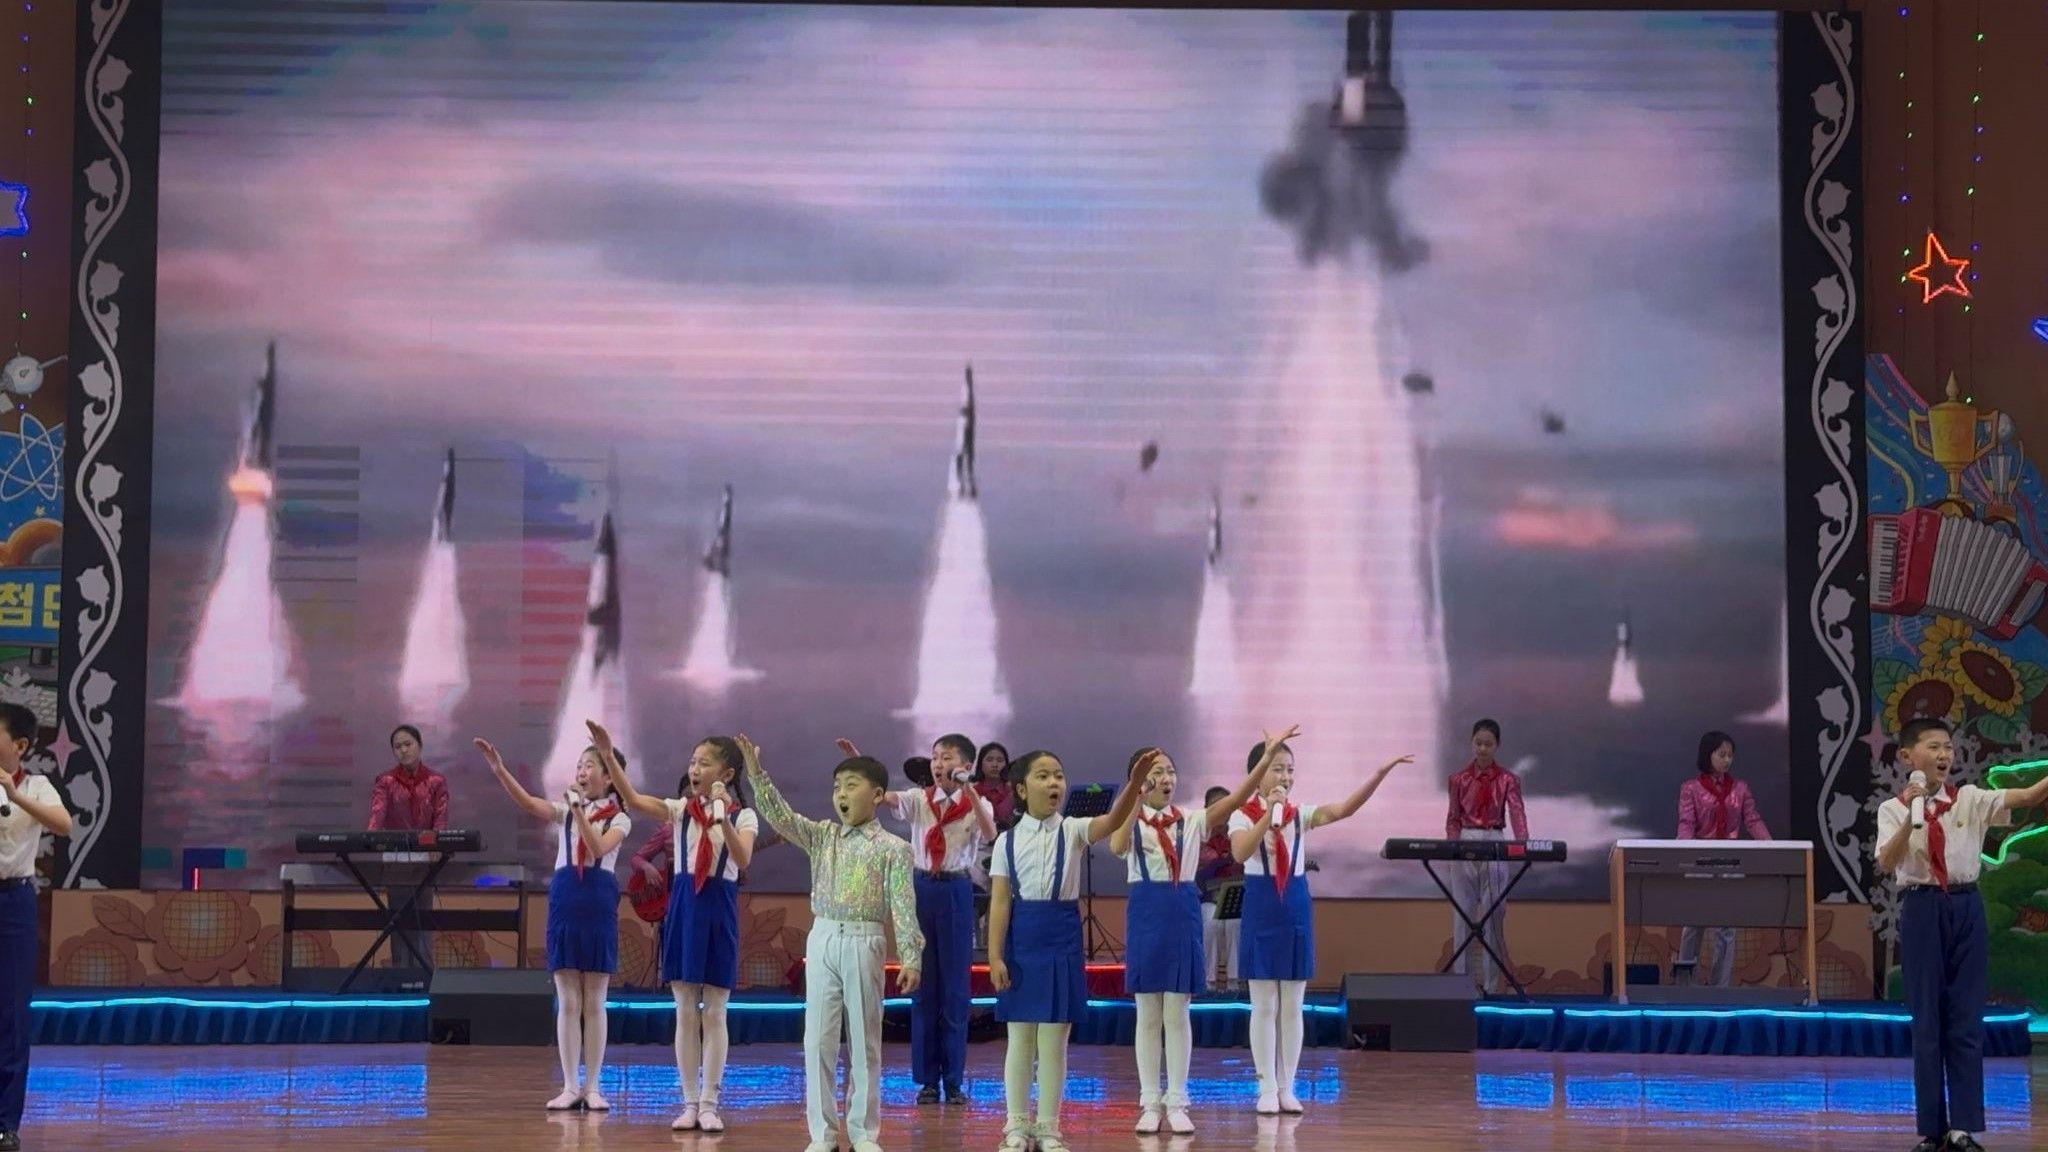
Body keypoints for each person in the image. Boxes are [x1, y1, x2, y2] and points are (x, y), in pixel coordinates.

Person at [743, 736, 923, 1152]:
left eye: (852, 785)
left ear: (877, 795)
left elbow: (902, 905)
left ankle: (863, 1134)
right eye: (837, 786)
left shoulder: (894, 849)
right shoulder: (823, 837)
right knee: (818, 1041)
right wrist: (756, 774)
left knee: (864, 1040)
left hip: (865, 940)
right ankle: (822, 1135)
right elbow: (782, 818)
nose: (841, 794)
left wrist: (911, 956)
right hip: (823, 937)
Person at [1877, 717, 2048, 1152]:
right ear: (1906, 757)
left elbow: (2028, 795)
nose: (1944, 755)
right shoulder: (1893, 809)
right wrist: (1911, 815)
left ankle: (1963, 1128)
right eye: (1933, 747)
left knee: (1966, 1021)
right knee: (1927, 1024)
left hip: (1967, 907)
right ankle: (1931, 1129)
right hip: (1922, 909)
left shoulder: (1969, 799)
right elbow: (1886, 862)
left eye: (1948, 748)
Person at [1109, 732, 1284, 1135]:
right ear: (1140, 780)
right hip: (1146, 914)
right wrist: (1134, 795)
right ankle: (1149, 1101)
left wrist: (1266, 758)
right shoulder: (1131, 822)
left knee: (1177, 1011)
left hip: (1182, 910)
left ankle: (1178, 1100)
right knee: (1148, 1014)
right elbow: (1117, 844)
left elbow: (1237, 799)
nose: (1166, 778)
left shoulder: (1192, 819)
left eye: (1170, 771)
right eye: (1155, 773)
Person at [1233, 736, 1408, 1115]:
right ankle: (1265, 1085)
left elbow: (1344, 809)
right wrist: (1269, 814)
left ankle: (1287, 1086)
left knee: (1292, 1004)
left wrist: (1379, 773)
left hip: (1294, 906)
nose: (1285, 776)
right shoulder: (1241, 814)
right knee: (1263, 1004)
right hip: (1260, 905)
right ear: (1257, 775)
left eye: (1290, 770)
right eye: (1277, 768)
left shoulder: (1301, 815)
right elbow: (1239, 852)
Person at [597, 724, 757, 1134]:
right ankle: (688, 1102)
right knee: (685, 1010)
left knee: (715, 1011)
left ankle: (710, 1102)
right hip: (684, 907)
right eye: (692, 761)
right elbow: (632, 798)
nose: (695, 768)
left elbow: (743, 858)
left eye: (704, 762)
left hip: (719, 909)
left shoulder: (744, 816)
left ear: (728, 774)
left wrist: (721, 815)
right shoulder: (680, 811)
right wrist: (609, 756)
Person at [988, 749, 1148, 1152]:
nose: (1055, 783)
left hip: (1061, 938)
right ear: (1022, 789)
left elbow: (1112, 822)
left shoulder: (1074, 830)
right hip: (1022, 942)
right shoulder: (1006, 841)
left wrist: (1133, 784)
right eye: (1043, 776)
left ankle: (1048, 1126)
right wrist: (994, 956)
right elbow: (1001, 902)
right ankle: (1016, 1125)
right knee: (1020, 1037)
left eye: (1059, 775)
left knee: (1054, 1039)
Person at [477, 735, 629, 1111]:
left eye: (589, 765)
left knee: (594, 999)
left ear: (610, 778)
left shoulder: (620, 818)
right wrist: (500, 771)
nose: (581, 770)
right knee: (567, 998)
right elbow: (529, 803)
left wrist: (578, 810)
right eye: (579, 765)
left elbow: (597, 848)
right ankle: (570, 1084)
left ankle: (593, 1086)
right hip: (565, 895)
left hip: (597, 897)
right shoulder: (566, 810)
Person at [883, 733, 995, 1105]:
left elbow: (990, 832)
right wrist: (865, 773)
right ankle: (928, 1080)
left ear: (964, 766)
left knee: (955, 990)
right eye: (934, 757)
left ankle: (955, 1080)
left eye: (946, 757)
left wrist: (971, 791)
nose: (936, 763)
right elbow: (887, 799)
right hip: (921, 888)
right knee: (923, 986)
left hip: (957, 891)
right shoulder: (920, 799)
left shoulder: (977, 804)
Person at [0, 703, 67, 1152]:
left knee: (10, 1014)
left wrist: (14, 793)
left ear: (19, 745)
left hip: (14, 903)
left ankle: (6, 1123)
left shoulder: (38, 786)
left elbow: (64, 826)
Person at [1674, 730, 1771, 987]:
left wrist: (1770, 846)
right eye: (1722, 754)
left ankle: (1721, 987)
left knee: (1727, 928)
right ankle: (1686, 986)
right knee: (1693, 924)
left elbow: (1752, 819)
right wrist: (1683, 852)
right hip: (1700, 860)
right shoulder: (1690, 789)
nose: (1727, 760)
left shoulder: (1740, 788)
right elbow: (1686, 824)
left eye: (1730, 755)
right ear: (1708, 755)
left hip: (1731, 859)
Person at [1444, 718, 1527, 996]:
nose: (1482, 749)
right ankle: (1462, 986)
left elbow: (1516, 813)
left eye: (1488, 744)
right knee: (1462, 916)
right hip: (1466, 841)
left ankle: (1492, 987)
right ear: (1472, 743)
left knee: (1494, 915)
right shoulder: (1457, 779)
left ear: (1497, 746)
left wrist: (1524, 845)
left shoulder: (1508, 780)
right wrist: (1452, 847)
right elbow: (1453, 818)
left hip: (1494, 839)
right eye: (1478, 743)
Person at [367, 724, 449, 972]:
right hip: (396, 857)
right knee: (398, 917)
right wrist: (370, 838)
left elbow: (440, 819)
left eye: (408, 744)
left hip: (425, 857)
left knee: (422, 916)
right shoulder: (386, 781)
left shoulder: (436, 781)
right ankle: (401, 972)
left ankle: (425, 974)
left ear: (419, 745)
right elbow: (378, 813)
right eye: (397, 746)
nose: (403, 750)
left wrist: (436, 843)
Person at [1196, 785, 1244, 992]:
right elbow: (1197, 878)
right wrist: (1223, 861)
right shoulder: (1197, 837)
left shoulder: (1239, 835)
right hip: (1207, 898)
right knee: (1210, 923)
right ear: (1206, 808)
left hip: (1235, 897)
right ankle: (1209, 982)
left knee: (1235, 923)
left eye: (1226, 806)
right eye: (1216, 806)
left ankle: (1234, 982)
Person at [973, 742, 1016, 830]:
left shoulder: (1013, 792)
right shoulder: (972, 792)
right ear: (980, 764)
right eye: (989, 760)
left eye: (1000, 760)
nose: (995, 765)